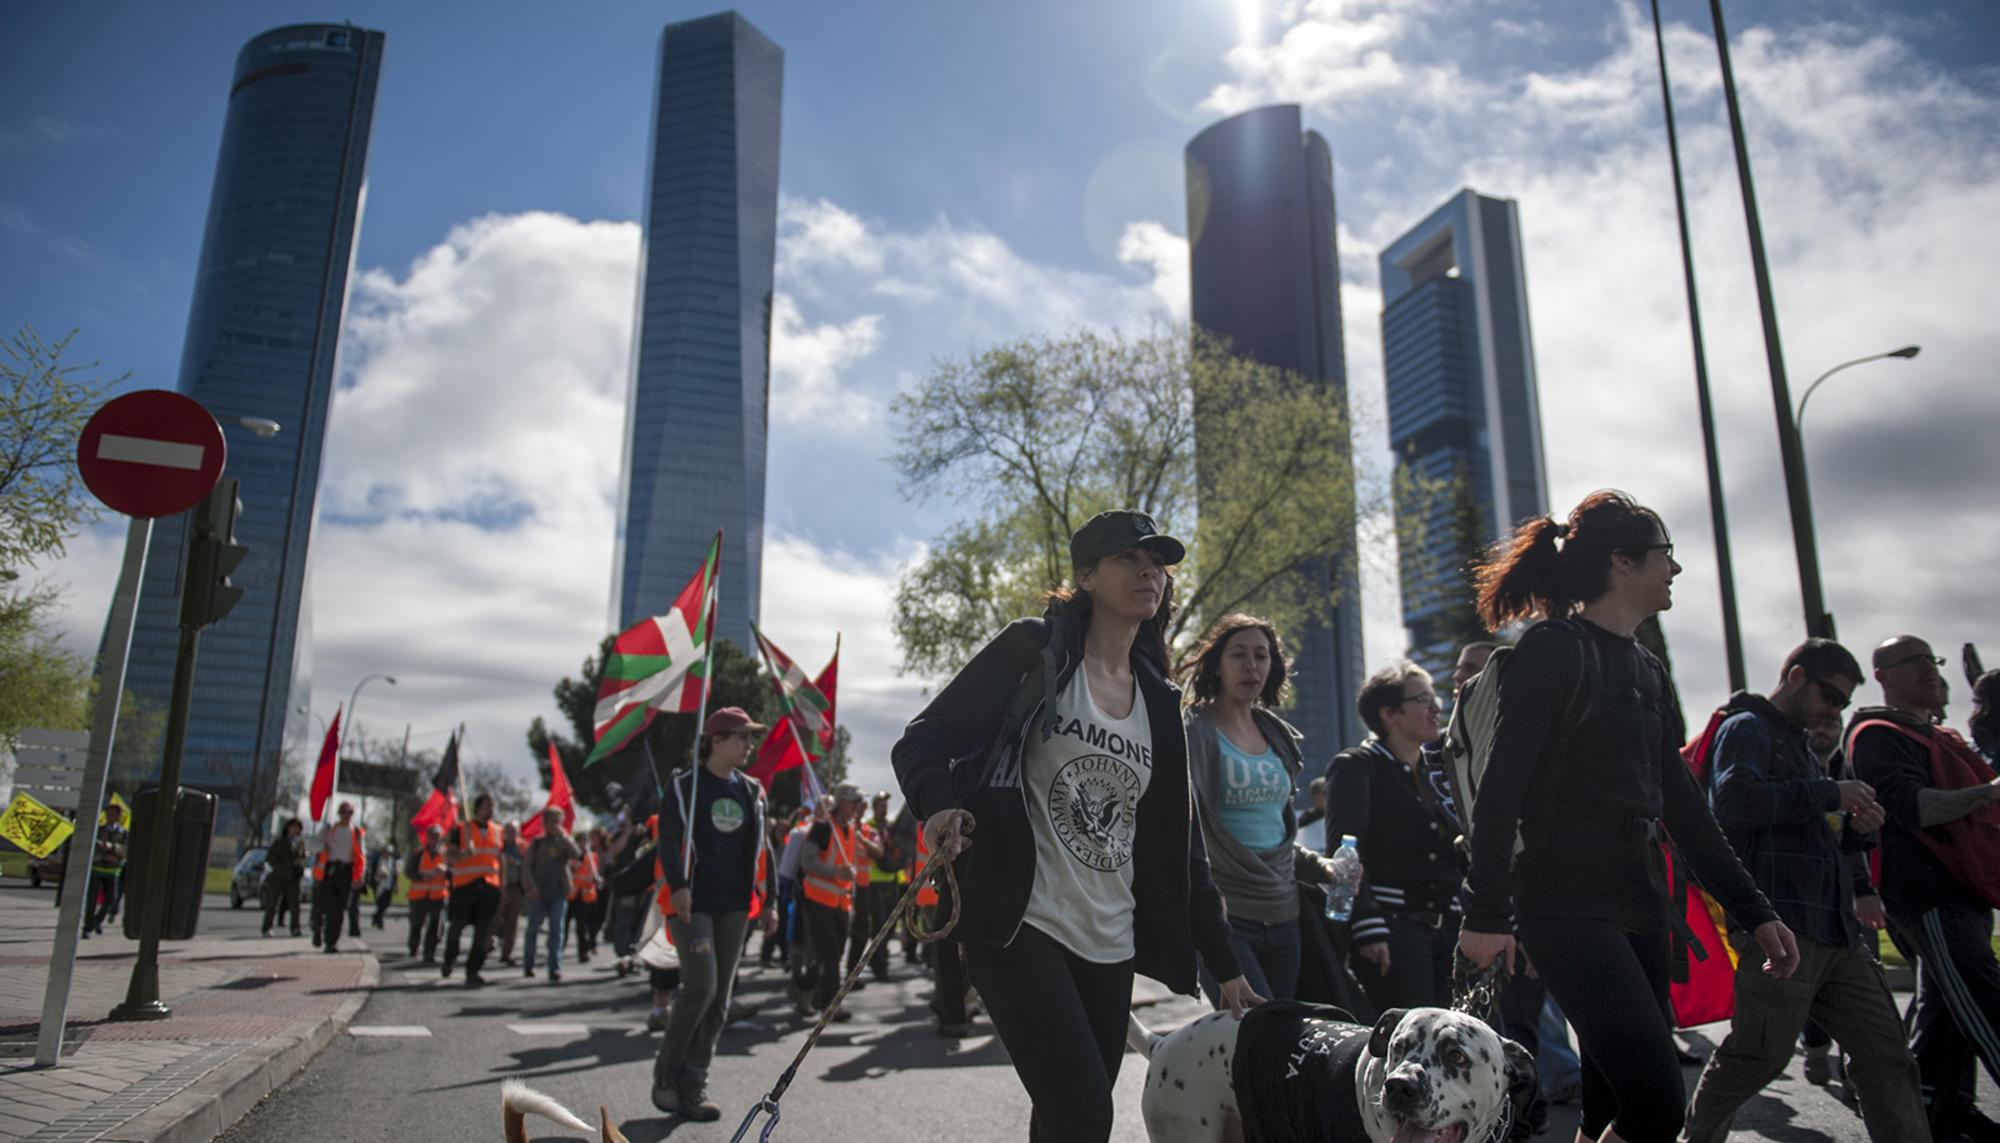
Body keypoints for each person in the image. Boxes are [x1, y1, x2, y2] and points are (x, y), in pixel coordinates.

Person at [892, 509, 1257, 1143]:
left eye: (1159, 562)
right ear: (1086, 575)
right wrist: (940, 807)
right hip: (1020, 923)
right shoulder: (1033, 651)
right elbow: (923, 741)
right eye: (1128, 558)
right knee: (1087, 1113)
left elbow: (1180, 847)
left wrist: (1225, 965)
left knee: (1063, 1121)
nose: (1150, 570)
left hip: (1110, 942)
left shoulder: (1160, 702)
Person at [1455, 490, 1796, 1143]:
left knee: (1610, 1109)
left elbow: (1684, 807)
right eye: (1666, 555)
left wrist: (1754, 910)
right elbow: (1503, 787)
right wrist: (1486, 913)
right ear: (1622, 560)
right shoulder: (1552, 648)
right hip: (1564, 900)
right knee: (1659, 1103)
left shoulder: (1647, 668)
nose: (1675, 569)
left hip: (1640, 898)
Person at [1680, 638, 1929, 1142]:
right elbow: (1733, 802)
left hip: (1836, 932)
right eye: (1830, 696)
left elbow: (1807, 828)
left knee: (1888, 1055)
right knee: (1756, 1056)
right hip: (1783, 926)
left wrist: (1858, 825)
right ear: (1796, 677)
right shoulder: (1746, 726)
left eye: (1841, 703)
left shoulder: (1797, 742)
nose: (1832, 711)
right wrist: (1830, 793)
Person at [1850, 635, 2000, 1141]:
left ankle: (1942, 1114)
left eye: (1933, 661)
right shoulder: (1876, 733)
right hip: (1930, 893)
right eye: (1915, 661)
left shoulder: (1939, 735)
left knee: (1945, 1017)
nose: (1931, 671)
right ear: (1884, 675)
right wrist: (1989, 792)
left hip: (1965, 889)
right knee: (1983, 1000)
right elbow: (1908, 807)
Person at [1180, 612, 1336, 1005]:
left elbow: (1276, 833)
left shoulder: (1277, 734)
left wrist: (1324, 868)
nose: (1251, 665)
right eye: (1238, 654)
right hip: (1226, 917)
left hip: (1285, 914)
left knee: (1274, 1044)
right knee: (1251, 1032)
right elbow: (1181, 829)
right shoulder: (1193, 731)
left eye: (1262, 656)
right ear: (1217, 665)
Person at [650, 707, 777, 1121]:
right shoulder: (684, 785)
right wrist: (678, 884)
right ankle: (666, 1075)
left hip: (735, 905)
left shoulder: (752, 790)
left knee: (720, 1000)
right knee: (701, 986)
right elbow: (668, 837)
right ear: (717, 740)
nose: (749, 745)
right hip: (693, 902)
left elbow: (764, 848)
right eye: (742, 736)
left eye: (751, 737)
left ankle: (694, 1082)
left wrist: (771, 900)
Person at [1329, 660, 1462, 1011]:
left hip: (1449, 929)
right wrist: (1366, 923)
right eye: (1422, 699)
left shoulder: (1437, 773)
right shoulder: (1358, 766)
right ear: (1390, 713)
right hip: (1394, 931)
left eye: (1435, 697)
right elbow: (1344, 852)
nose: (1436, 708)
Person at [797, 784, 876, 1018]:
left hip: (841, 902)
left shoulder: (851, 829)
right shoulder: (822, 827)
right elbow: (807, 861)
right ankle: (831, 1004)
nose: (858, 806)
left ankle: (803, 987)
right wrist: (836, 873)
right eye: (854, 802)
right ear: (841, 802)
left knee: (834, 953)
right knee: (830, 954)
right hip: (818, 899)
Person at [441, 793, 503, 986]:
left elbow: (499, 859)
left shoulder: (497, 830)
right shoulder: (461, 829)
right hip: (465, 887)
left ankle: (473, 971)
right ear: (477, 808)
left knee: (483, 932)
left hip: (489, 887)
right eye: (487, 806)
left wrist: (502, 885)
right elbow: (449, 857)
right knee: (457, 927)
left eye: (492, 806)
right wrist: (463, 854)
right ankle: (449, 959)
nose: (491, 810)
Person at [846, 792, 903, 984]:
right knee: (879, 926)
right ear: (874, 807)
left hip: (892, 879)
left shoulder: (891, 828)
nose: (884, 808)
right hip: (873, 881)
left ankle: (879, 961)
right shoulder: (868, 827)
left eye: (886, 805)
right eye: (881, 805)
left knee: (890, 926)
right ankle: (880, 966)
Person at [521, 806, 579, 981]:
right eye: (552, 821)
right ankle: (528, 965)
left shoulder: (563, 841)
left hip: (558, 892)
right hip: (538, 893)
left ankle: (555, 967)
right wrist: (531, 887)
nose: (555, 825)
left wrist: (565, 837)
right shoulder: (537, 843)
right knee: (532, 929)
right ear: (544, 823)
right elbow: (527, 867)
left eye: (558, 821)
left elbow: (576, 853)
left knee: (556, 930)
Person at [314, 802, 365, 953]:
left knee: (339, 909)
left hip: (346, 872)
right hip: (329, 871)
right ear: (339, 813)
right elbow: (313, 845)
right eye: (344, 812)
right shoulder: (329, 829)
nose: (346, 816)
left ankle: (331, 942)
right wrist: (323, 846)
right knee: (323, 906)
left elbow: (362, 855)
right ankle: (317, 928)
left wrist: (360, 876)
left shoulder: (356, 832)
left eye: (349, 813)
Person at [83, 802, 128, 938]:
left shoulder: (124, 833)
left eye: (113, 814)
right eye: (108, 813)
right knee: (91, 899)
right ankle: (88, 927)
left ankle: (98, 920)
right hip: (97, 869)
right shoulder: (99, 830)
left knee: (111, 899)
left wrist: (112, 849)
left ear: (119, 816)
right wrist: (104, 855)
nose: (110, 816)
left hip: (113, 871)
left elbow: (125, 850)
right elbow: (92, 846)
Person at [406, 825, 448, 961]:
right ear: (427, 837)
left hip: (437, 895)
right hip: (419, 895)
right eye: (432, 835)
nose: (435, 839)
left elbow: (455, 873)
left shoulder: (446, 854)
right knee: (417, 923)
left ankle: (429, 953)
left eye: (437, 836)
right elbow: (408, 871)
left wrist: (445, 870)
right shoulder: (418, 853)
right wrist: (422, 876)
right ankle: (413, 946)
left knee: (435, 924)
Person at [262, 817, 307, 937]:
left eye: (297, 828)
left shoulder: (300, 843)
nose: (295, 830)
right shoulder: (279, 842)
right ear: (287, 828)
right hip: (278, 877)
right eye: (293, 827)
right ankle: (267, 928)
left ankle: (295, 928)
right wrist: (282, 866)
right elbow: (270, 858)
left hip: (294, 878)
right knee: (272, 904)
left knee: (295, 905)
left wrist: (300, 865)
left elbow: (303, 858)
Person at [568, 829, 603, 962]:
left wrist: (597, 879)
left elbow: (594, 873)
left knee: (582, 926)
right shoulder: (571, 855)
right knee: (563, 925)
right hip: (571, 894)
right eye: (581, 841)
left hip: (584, 895)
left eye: (585, 841)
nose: (583, 844)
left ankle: (583, 952)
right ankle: (558, 950)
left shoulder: (592, 857)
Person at [493, 822, 524, 963]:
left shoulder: (522, 848)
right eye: (509, 831)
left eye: (514, 831)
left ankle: (507, 953)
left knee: (512, 922)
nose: (512, 834)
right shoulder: (498, 846)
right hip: (499, 887)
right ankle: (485, 946)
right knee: (494, 919)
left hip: (516, 888)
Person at [370, 843, 399, 930]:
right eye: (386, 852)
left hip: (389, 886)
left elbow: (395, 874)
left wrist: (396, 884)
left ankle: (376, 917)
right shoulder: (378, 861)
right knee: (381, 904)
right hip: (379, 886)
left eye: (389, 852)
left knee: (387, 904)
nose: (387, 854)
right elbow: (372, 873)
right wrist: (378, 876)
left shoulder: (393, 861)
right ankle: (380, 922)